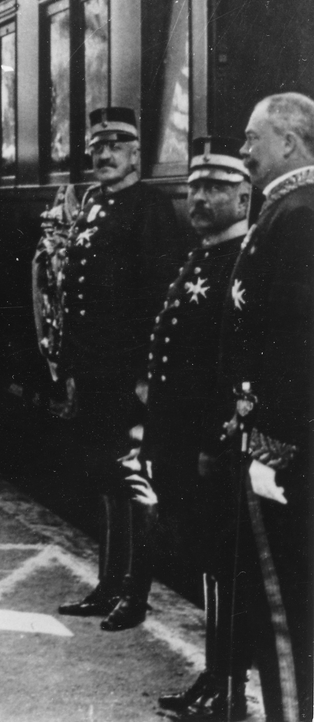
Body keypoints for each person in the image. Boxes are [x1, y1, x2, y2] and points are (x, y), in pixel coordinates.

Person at [55, 107, 183, 631]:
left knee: (134, 481)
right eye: (97, 147)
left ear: (135, 153)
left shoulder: (150, 208)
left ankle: (135, 594)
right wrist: (70, 365)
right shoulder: (94, 204)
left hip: (128, 373)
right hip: (94, 369)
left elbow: (161, 300)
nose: (104, 155)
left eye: (115, 146)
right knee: (106, 477)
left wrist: (148, 375)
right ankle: (108, 584)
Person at [142, 136, 252, 719]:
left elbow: (234, 367)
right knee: (207, 562)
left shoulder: (240, 261)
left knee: (222, 567)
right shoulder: (204, 254)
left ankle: (224, 687)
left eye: (215, 188)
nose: (200, 198)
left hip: (208, 446)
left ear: (244, 198)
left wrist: (213, 442)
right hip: (181, 442)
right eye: (195, 188)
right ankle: (216, 679)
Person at [219, 93, 314, 722]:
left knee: (285, 604)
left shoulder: (298, 214)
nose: (244, 150)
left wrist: (271, 445)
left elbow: (295, 343)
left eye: (253, 138)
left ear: (289, 141)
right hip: (272, 432)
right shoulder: (286, 207)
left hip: (281, 447)